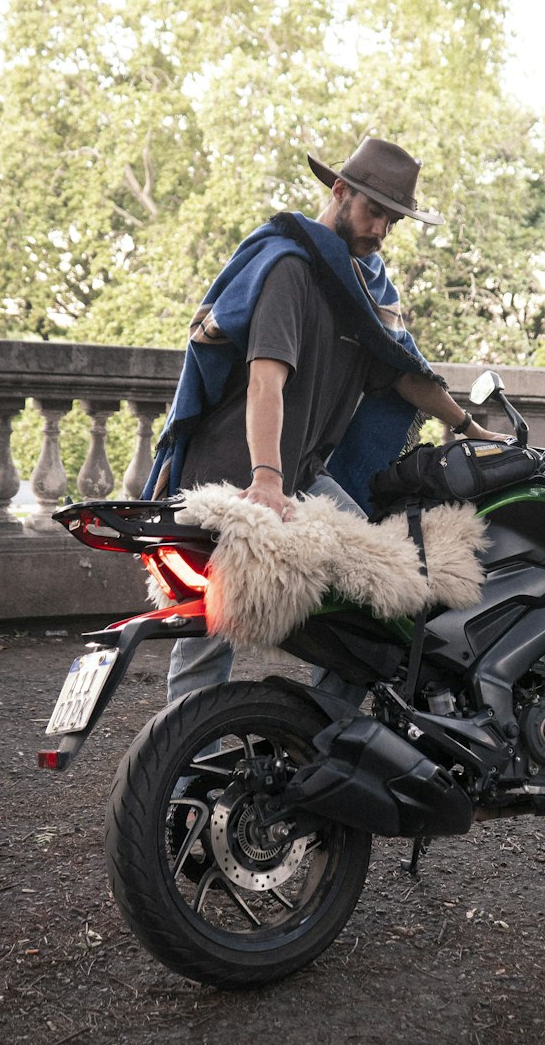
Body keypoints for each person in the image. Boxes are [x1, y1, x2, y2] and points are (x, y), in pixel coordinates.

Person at [144, 136, 502, 704]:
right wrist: (265, 479)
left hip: (304, 474)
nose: (381, 230)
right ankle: (184, 780)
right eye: (374, 212)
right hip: (231, 472)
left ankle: (326, 744)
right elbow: (266, 379)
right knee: (208, 633)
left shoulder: (361, 288)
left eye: (393, 220)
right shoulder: (290, 268)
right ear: (339, 192)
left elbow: (404, 374)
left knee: (379, 596)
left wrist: (469, 428)